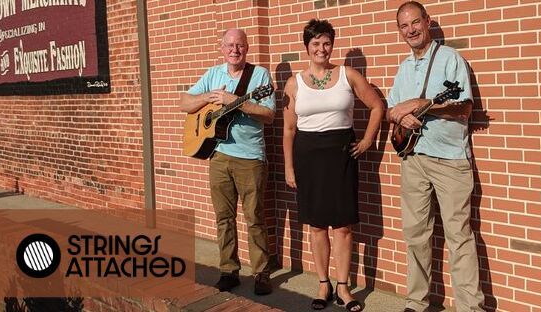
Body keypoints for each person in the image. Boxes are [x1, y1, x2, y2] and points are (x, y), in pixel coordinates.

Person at [386, 2, 486, 312]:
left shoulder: (450, 59)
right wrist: (399, 118)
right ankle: (417, 301)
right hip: (413, 158)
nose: (411, 30)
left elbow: (464, 108)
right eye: (404, 26)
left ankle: (470, 307)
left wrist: (426, 104)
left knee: (459, 236)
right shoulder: (404, 67)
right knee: (416, 235)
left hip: (450, 161)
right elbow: (391, 109)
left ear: (427, 22)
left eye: (416, 23)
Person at [282, 19, 384, 312]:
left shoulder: (347, 75)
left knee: (342, 227)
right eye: (315, 44)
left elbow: (377, 106)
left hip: (341, 155)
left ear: (332, 45)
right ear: (306, 47)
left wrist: (366, 142)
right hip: (307, 157)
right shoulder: (294, 82)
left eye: (326, 43)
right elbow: (289, 130)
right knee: (316, 226)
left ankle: (343, 287)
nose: (321, 49)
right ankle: (323, 283)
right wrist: (289, 168)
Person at [178, 28, 275, 296]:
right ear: (222, 48)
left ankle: (261, 273)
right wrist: (206, 98)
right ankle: (228, 270)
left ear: (247, 47)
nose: (235, 50)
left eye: (240, 45)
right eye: (230, 45)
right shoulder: (213, 74)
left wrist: (237, 102)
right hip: (219, 156)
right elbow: (184, 103)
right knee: (224, 217)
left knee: (254, 217)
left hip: (250, 158)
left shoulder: (260, 76)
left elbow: (269, 114)